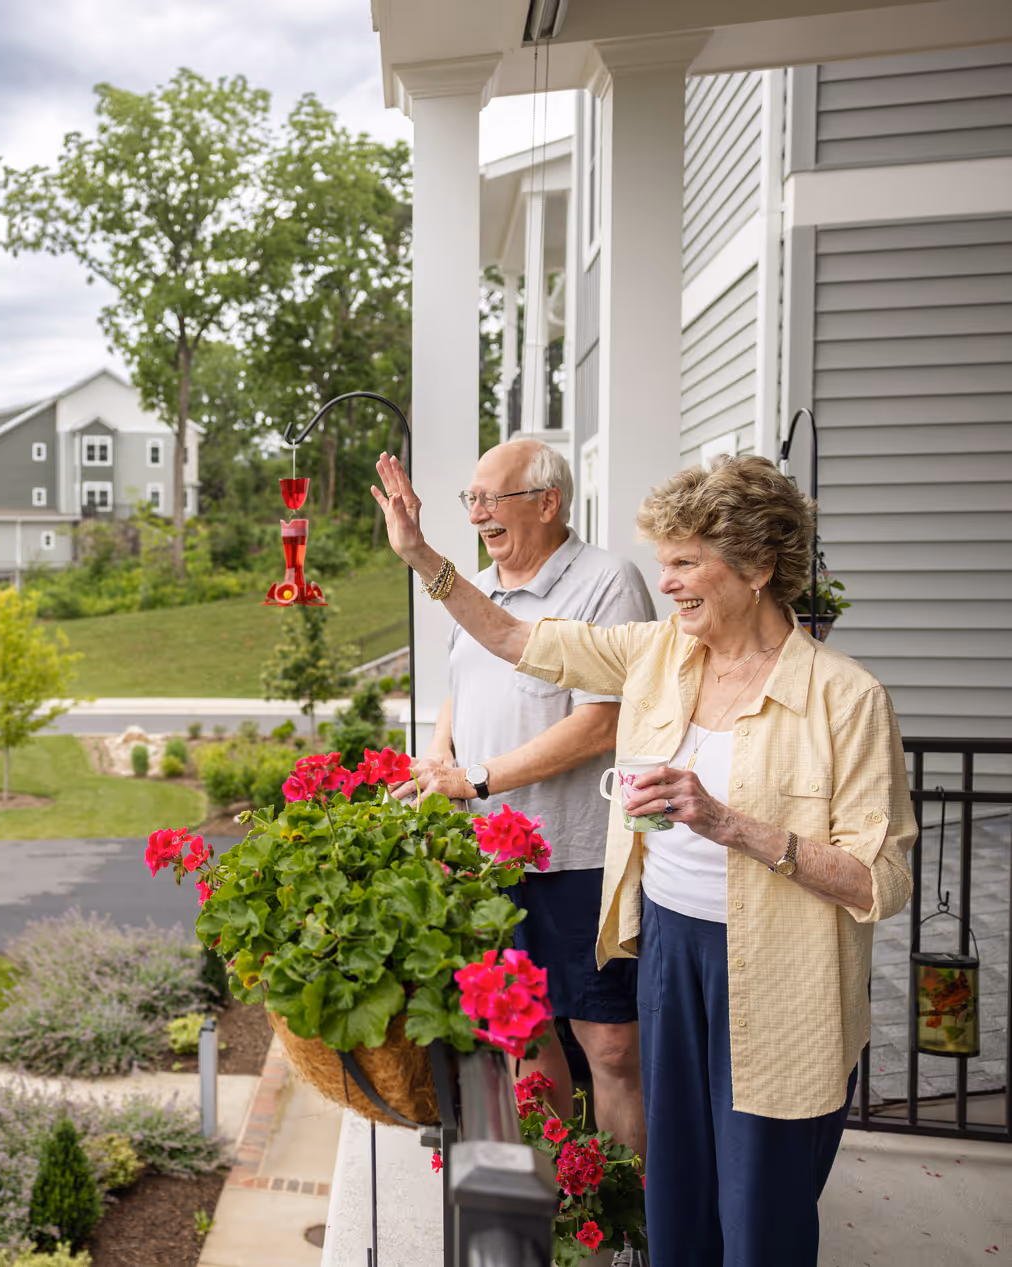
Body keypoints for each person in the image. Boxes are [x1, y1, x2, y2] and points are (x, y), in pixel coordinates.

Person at [371, 451, 914, 1266]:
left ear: (761, 565)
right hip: (667, 946)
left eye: (687, 563)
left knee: (759, 1204)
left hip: (776, 969)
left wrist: (736, 825)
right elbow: (518, 637)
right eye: (664, 562)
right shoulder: (661, 655)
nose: (668, 583)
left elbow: (883, 879)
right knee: (679, 1191)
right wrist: (423, 558)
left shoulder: (847, 697)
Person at [396, 438, 654, 1154]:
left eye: (492, 498)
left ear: (548, 501)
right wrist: (442, 753)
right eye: (471, 499)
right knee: (523, 1036)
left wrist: (477, 778)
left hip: (578, 859)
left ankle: (626, 1222)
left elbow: (601, 722)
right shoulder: (482, 590)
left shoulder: (607, 582)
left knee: (608, 1046)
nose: (478, 513)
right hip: (490, 865)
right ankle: (555, 1207)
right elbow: (461, 687)